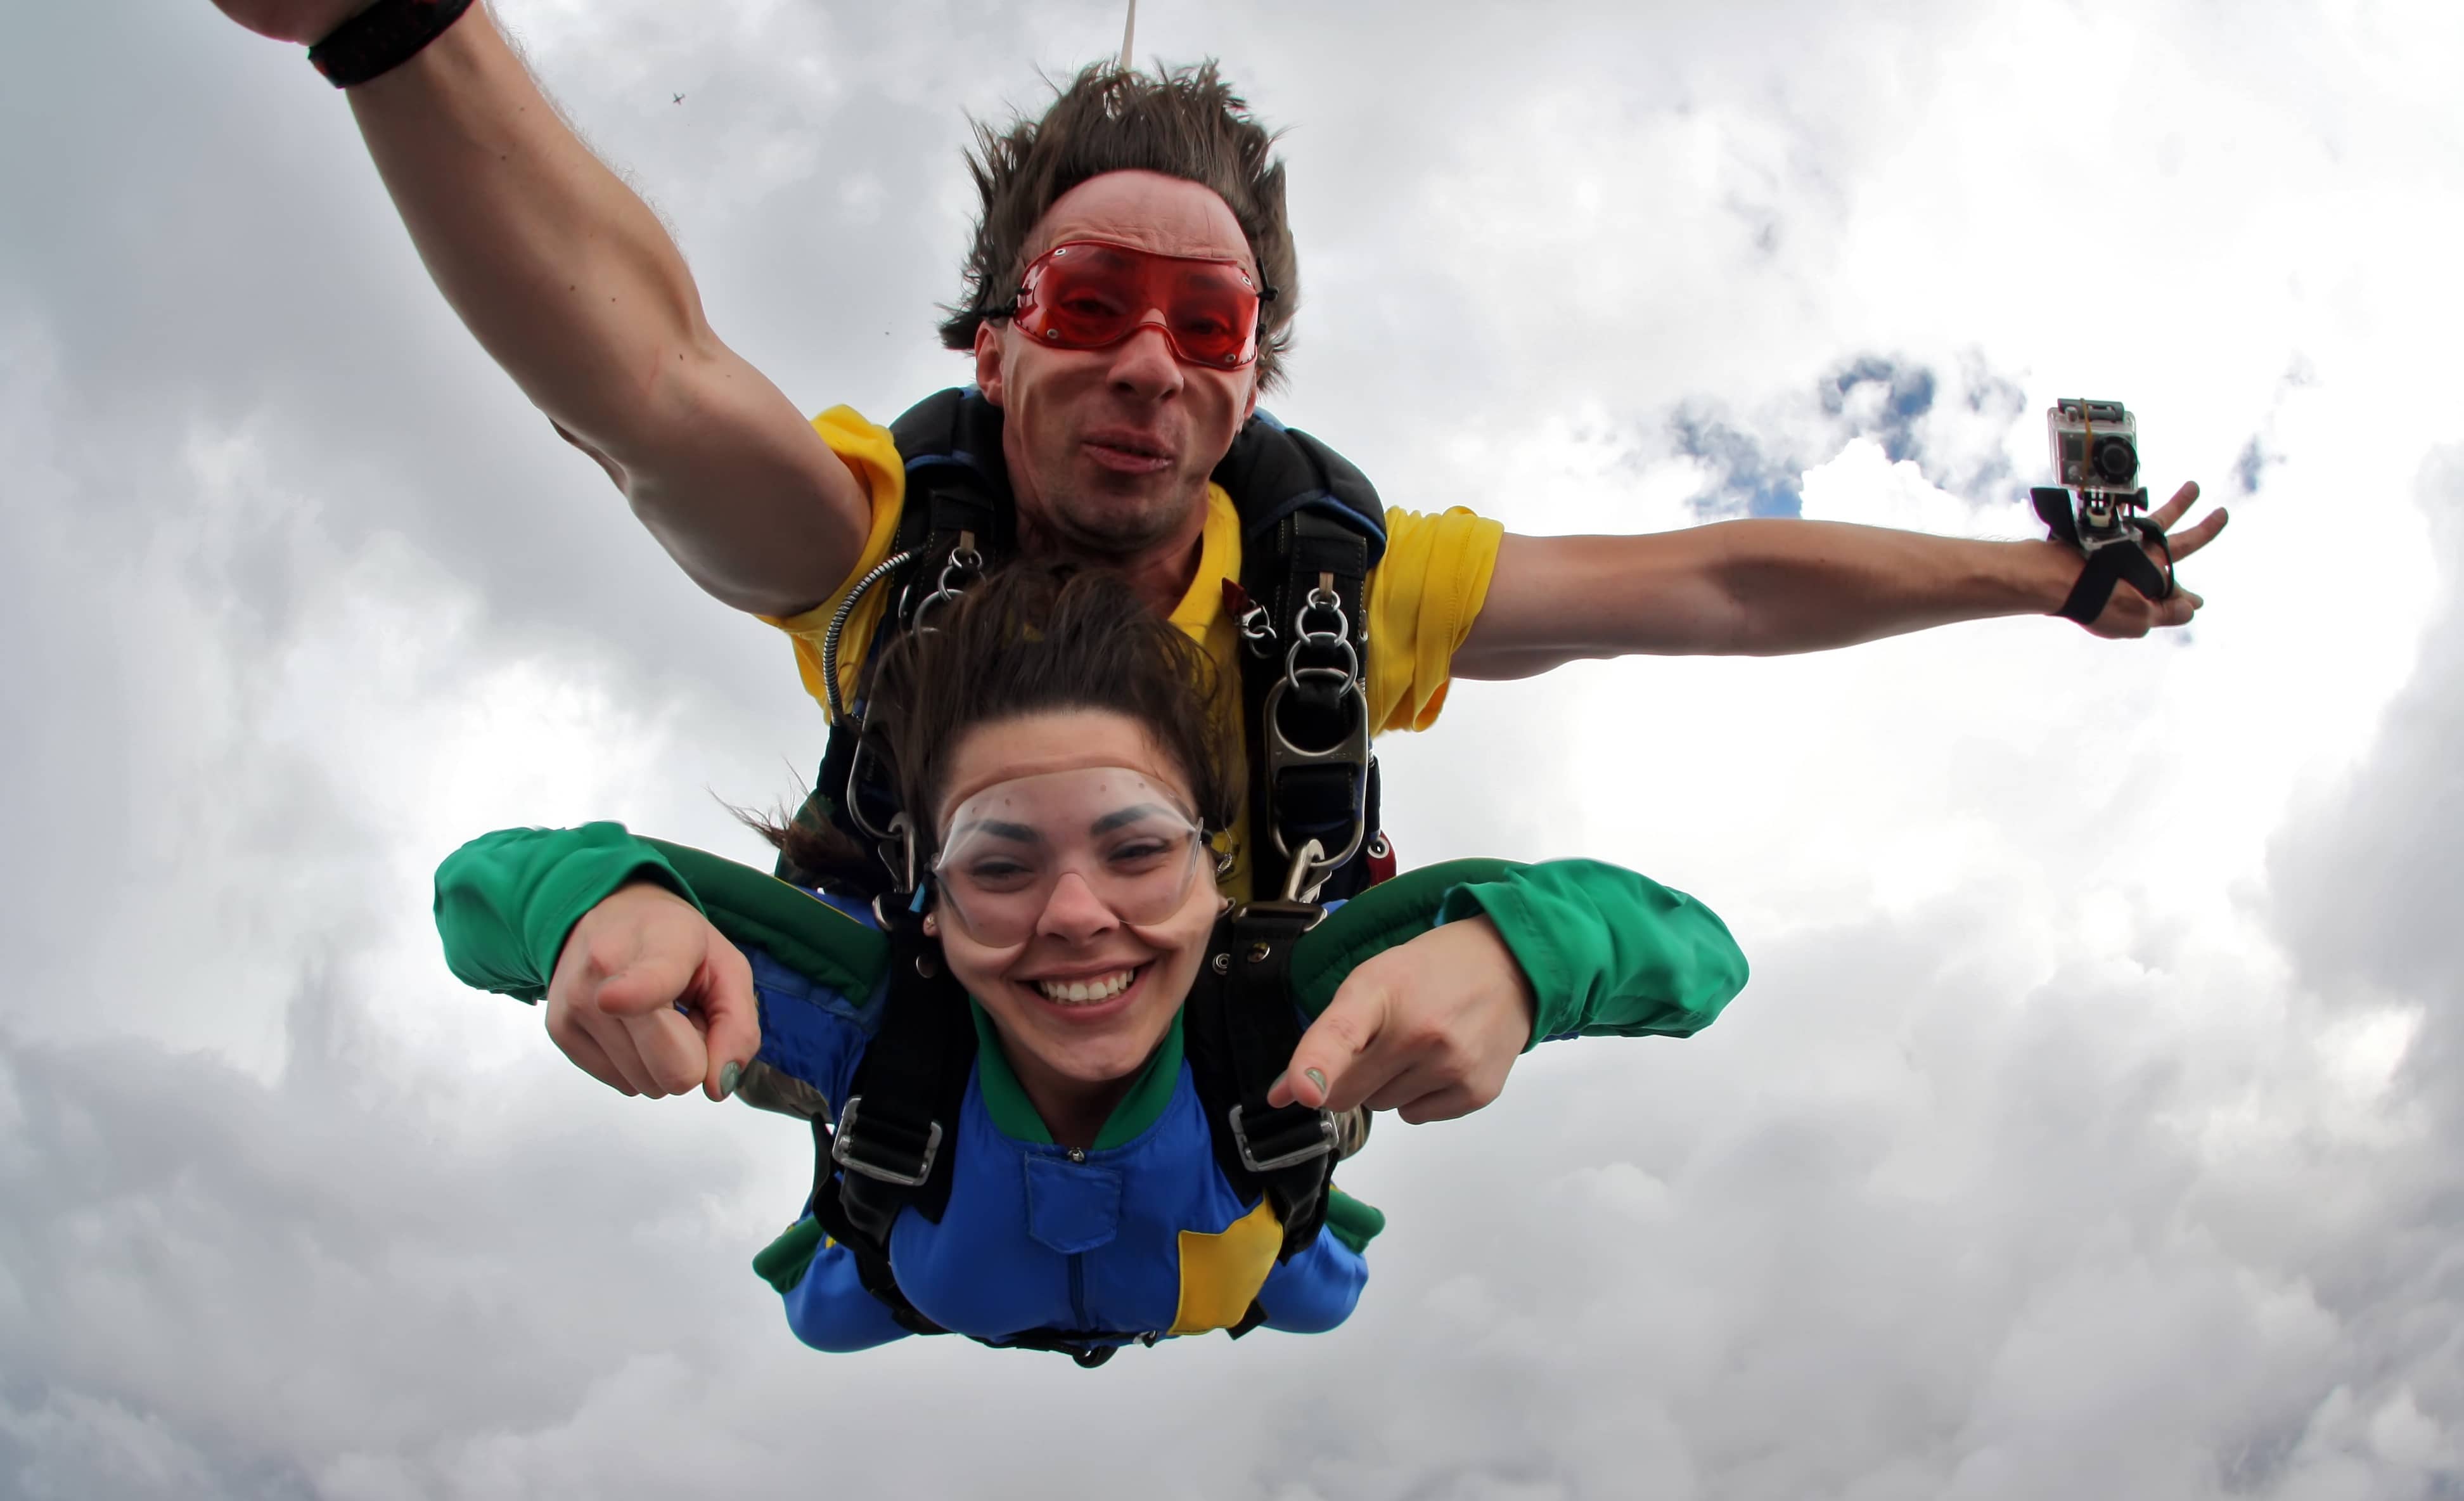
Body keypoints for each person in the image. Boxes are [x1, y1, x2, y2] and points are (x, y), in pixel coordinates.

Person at [214, 1, 2229, 1124]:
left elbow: (1707, 585)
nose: (1151, 362)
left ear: (1259, 365)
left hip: (1254, 1012)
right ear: (990, 337)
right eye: (1091, 296)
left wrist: (2039, 578)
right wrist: (396, 30)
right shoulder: (874, 541)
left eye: (1215, 318)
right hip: (952, 1006)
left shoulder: (1336, 582)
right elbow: (646, 383)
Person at [433, 565, 1750, 1361]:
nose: (1075, 916)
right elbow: (473, 895)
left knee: (1314, 1291)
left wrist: (1528, 953)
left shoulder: (1297, 1012)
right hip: (907, 1265)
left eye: (1137, 852)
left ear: (1209, 875)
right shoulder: (875, 1023)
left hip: (1243, 1256)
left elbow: (1703, 956)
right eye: (1002, 864)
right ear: (931, 908)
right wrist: (588, 910)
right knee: (828, 1311)